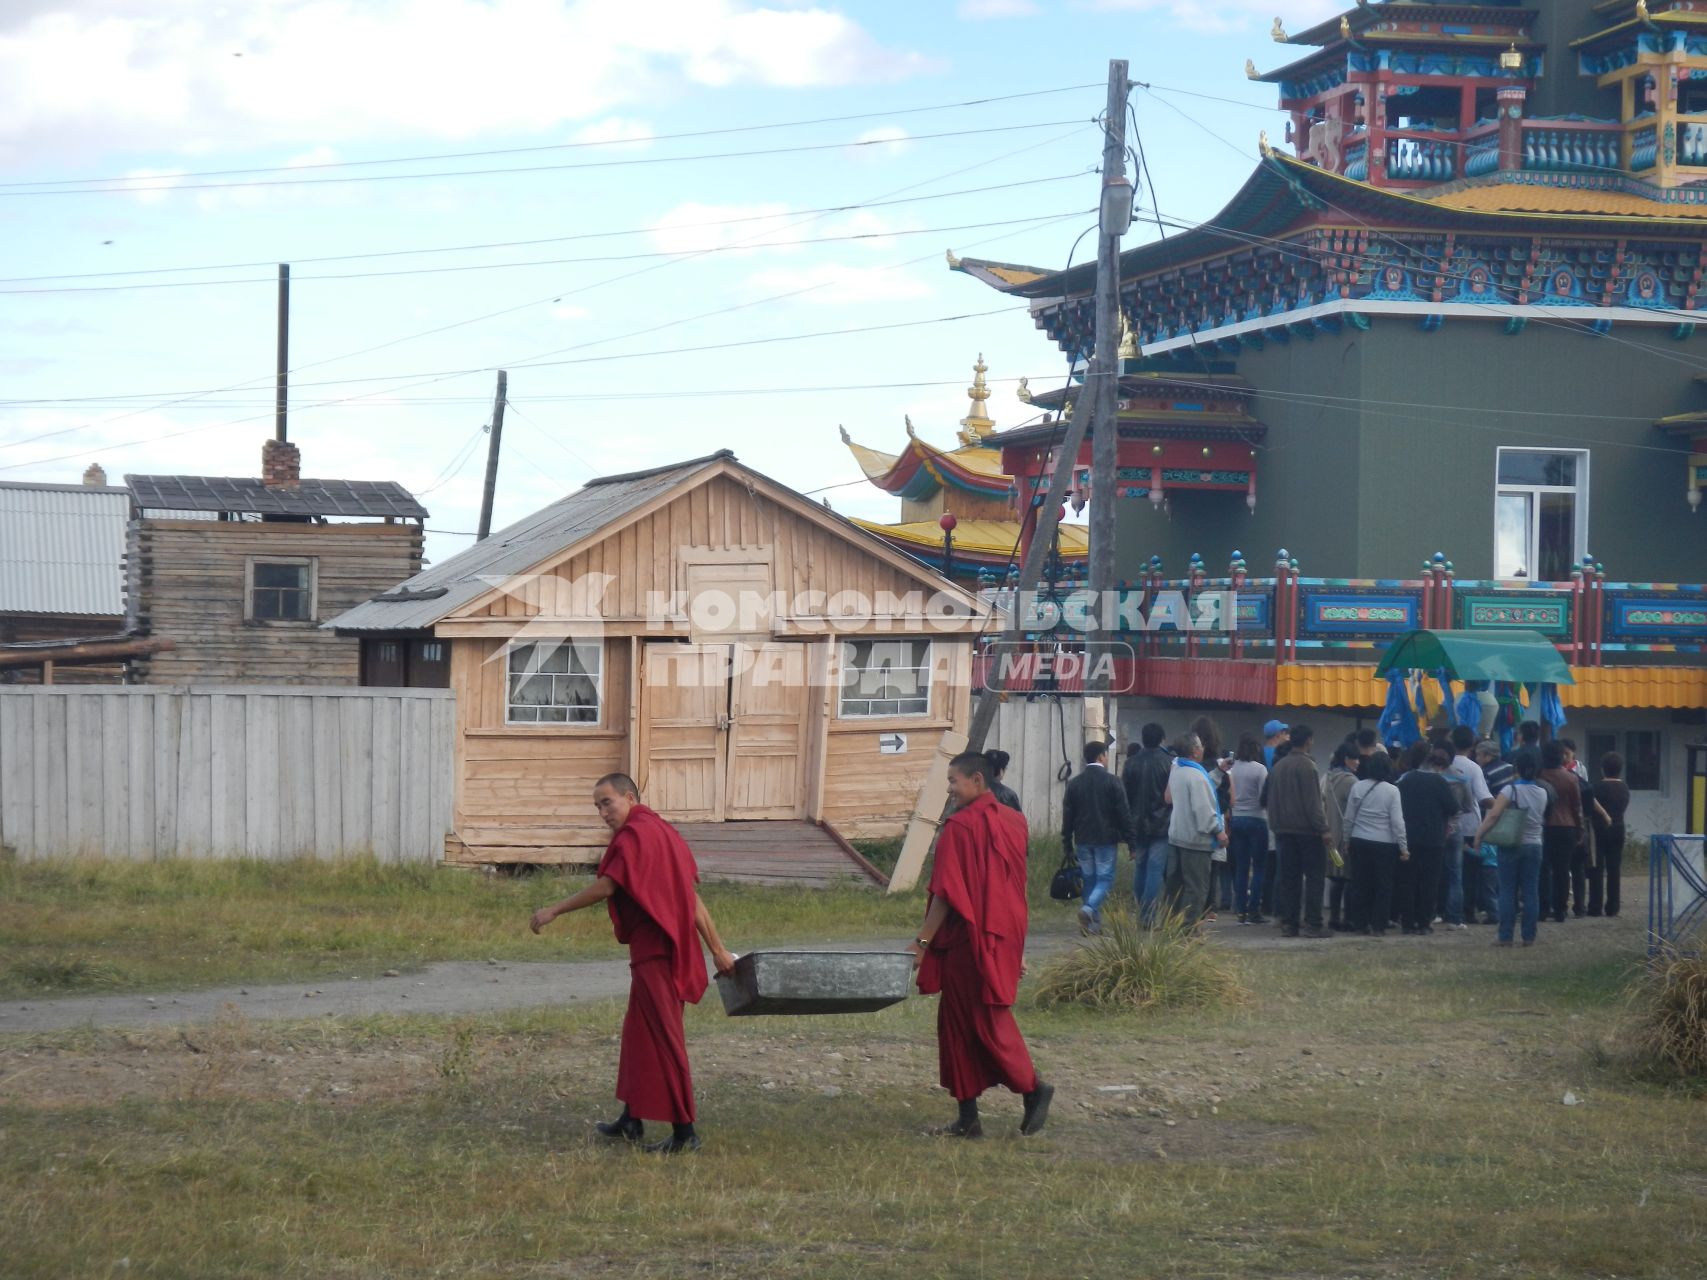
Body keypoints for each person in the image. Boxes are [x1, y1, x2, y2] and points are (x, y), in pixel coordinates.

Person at [529, 773, 736, 1155]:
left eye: (607, 802)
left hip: (658, 954)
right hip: (655, 952)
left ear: (628, 797)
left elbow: (609, 885)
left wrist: (553, 910)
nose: (602, 813)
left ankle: (685, 1133)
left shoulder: (637, 836)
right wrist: (717, 949)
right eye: (597, 806)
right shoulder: (662, 833)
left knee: (664, 1039)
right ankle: (632, 1119)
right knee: (639, 1037)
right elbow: (689, 897)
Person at [910, 752, 1053, 1139]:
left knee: (976, 1022)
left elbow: (945, 894)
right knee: (969, 1022)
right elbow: (1012, 889)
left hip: (967, 940)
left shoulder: (959, 827)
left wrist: (922, 942)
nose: (950, 790)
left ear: (976, 780)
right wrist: (1012, 947)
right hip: (1002, 933)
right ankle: (968, 1117)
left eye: (954, 782)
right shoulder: (1015, 822)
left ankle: (1032, 1087)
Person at [1473, 752, 1550, 947]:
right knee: (1531, 890)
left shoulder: (1510, 790)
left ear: (1516, 768)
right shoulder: (1543, 792)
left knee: (1507, 890)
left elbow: (1493, 816)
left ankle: (1505, 936)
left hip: (1511, 844)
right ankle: (1529, 936)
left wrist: (1479, 835)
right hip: (1534, 845)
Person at [1265, 725, 1333, 939]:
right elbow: (1313, 804)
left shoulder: (1278, 767)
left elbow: (1270, 800)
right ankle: (1314, 923)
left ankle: (1290, 923)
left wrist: (1275, 826)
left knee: (1289, 879)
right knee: (1314, 877)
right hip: (1308, 831)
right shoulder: (1308, 766)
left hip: (1283, 830)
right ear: (1309, 741)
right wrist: (1324, 828)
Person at [1060, 740, 1135, 935]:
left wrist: (1067, 842)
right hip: (1106, 839)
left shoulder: (1075, 783)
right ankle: (1088, 909)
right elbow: (1124, 814)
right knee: (1105, 879)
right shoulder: (1113, 782)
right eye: (1106, 755)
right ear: (1101, 756)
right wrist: (1131, 841)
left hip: (1082, 839)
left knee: (1089, 879)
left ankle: (1092, 926)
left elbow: (1068, 816)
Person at [1164, 731, 1227, 928]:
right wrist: (1218, 831)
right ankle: (1188, 929)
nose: (1202, 749)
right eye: (1200, 746)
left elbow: (1202, 785)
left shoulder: (1178, 770)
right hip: (1196, 841)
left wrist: (1218, 772)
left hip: (1176, 836)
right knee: (1196, 888)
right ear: (1195, 751)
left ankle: (1172, 924)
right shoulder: (1196, 776)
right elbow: (1203, 808)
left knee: (1176, 887)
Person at [1396, 745, 1460, 935]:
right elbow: (1453, 808)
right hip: (1433, 839)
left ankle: (1407, 922)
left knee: (1407, 881)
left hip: (1408, 838)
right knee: (1429, 882)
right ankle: (1424, 922)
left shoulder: (1404, 781)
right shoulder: (1439, 782)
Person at [1343, 750, 1409, 936]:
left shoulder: (1358, 787)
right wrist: (1403, 847)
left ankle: (1360, 923)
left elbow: (1349, 817)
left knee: (1360, 883)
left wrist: (1346, 839)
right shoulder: (1392, 790)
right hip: (1385, 843)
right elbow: (1397, 822)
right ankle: (1379, 925)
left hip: (1359, 840)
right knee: (1384, 885)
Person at [1120, 721, 1173, 923]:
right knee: (1155, 870)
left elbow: (1125, 796)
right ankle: (1148, 916)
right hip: (1162, 824)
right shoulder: (1169, 762)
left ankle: (1140, 911)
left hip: (1136, 823)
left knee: (1140, 868)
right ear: (1161, 739)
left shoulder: (1131, 762)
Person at [1444, 726, 1496, 925]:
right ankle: (1467, 912)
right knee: (1469, 874)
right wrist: (1503, 805)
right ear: (1473, 745)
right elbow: (1484, 798)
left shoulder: (1443, 763)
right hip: (1470, 826)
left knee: (1449, 872)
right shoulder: (1473, 767)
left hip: (1447, 826)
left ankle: (1445, 909)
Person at [1225, 731, 1270, 925]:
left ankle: (1240, 910)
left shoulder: (1232, 769)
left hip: (1237, 819)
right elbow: (1264, 797)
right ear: (1256, 749)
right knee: (1259, 866)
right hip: (1257, 818)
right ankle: (1254, 910)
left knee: (1241, 867)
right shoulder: (1260, 770)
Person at [1537, 741, 1583, 924]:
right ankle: (1560, 910)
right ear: (1561, 756)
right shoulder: (1571, 778)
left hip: (1544, 826)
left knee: (1543, 869)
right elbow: (1576, 807)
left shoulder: (1538, 776)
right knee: (1562, 870)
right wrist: (1580, 829)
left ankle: (1543, 908)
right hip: (1567, 826)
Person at [1321, 740, 1359, 930]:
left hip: (1331, 838)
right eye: (1355, 758)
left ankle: (1334, 917)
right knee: (1349, 878)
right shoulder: (1351, 781)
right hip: (1346, 838)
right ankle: (1348, 919)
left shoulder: (1327, 778)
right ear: (1346, 759)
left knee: (1336, 878)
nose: (1358, 762)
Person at [1590, 752, 1631, 917]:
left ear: (1602, 769)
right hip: (1618, 828)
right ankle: (1613, 906)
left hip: (1599, 830)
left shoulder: (1597, 787)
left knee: (1597, 868)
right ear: (1620, 770)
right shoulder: (1624, 788)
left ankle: (1595, 906)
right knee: (1614, 869)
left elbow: (1591, 806)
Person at [986, 749, 1023, 815]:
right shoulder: (1008, 795)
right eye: (1005, 768)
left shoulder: (973, 790)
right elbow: (1018, 821)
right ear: (1001, 771)